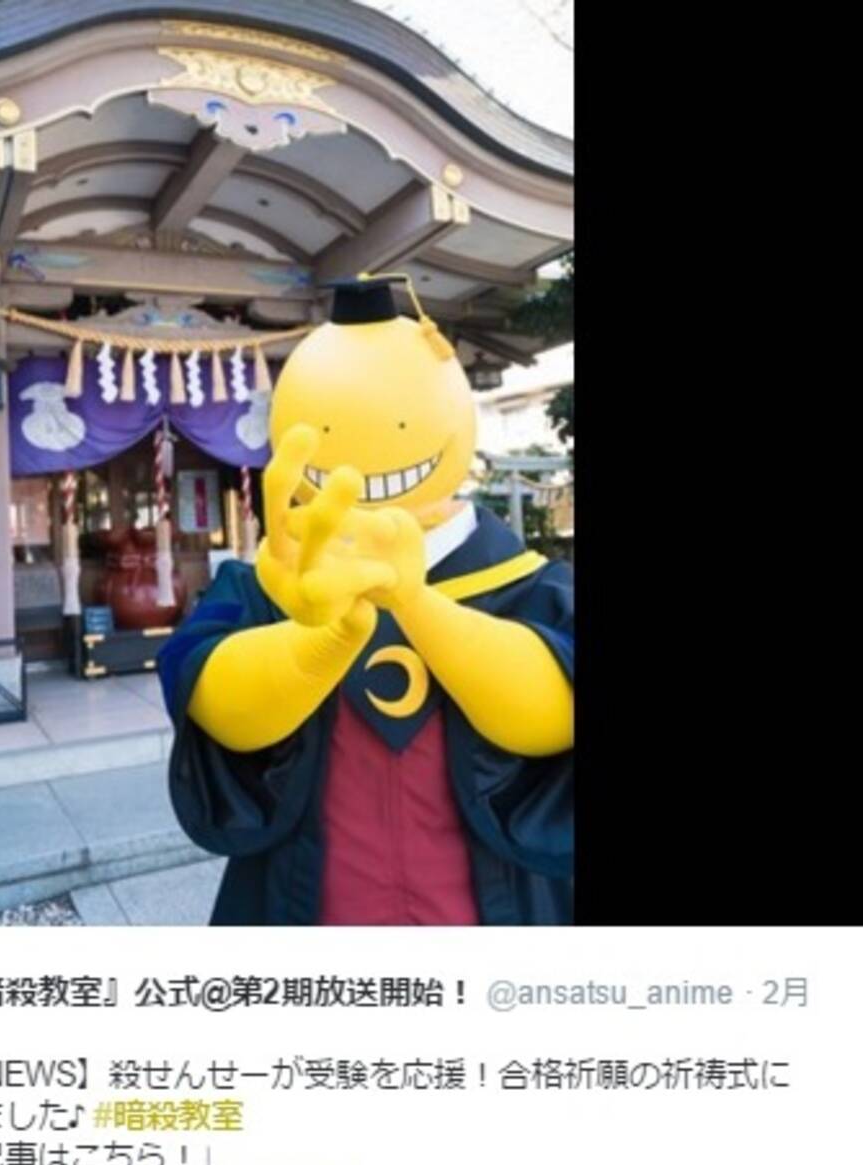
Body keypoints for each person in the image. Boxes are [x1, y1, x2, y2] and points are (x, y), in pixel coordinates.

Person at [157, 274, 573, 925]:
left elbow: (556, 710)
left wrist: (419, 606)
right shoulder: (264, 585)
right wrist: (319, 636)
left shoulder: (530, 585)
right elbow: (207, 693)